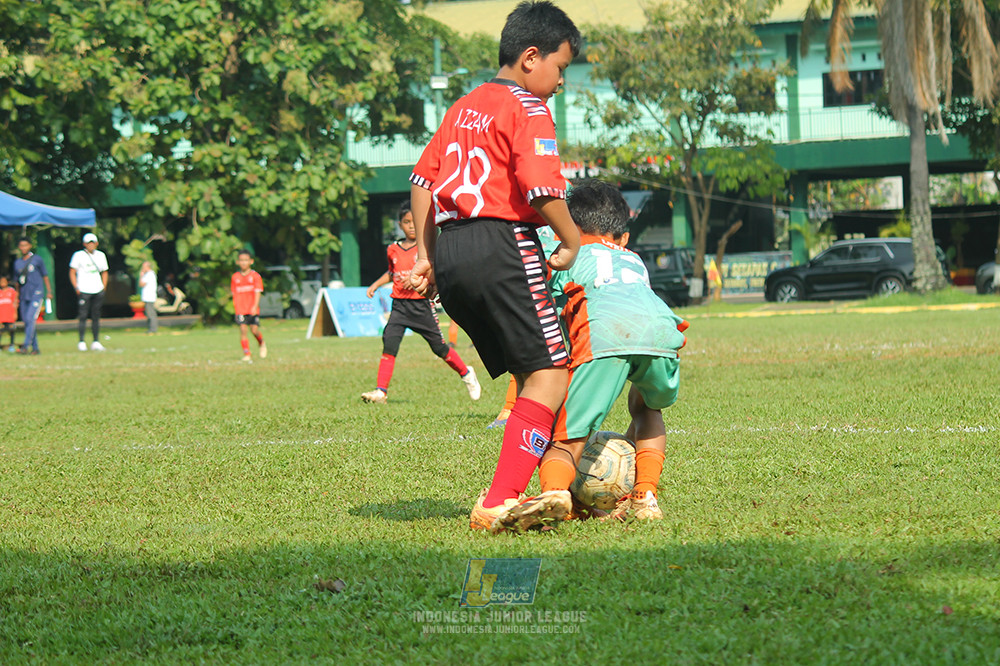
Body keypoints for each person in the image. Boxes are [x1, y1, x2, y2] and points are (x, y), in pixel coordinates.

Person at [408, 1, 582, 531]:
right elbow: (540, 185)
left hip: (454, 249)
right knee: (552, 373)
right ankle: (500, 497)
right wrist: (571, 238)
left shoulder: (463, 105)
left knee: (533, 372)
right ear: (532, 58)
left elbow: (421, 181)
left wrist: (425, 255)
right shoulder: (529, 108)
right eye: (560, 68)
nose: (558, 83)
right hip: (503, 242)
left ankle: (528, 485)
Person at [493, 180, 689, 532]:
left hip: (605, 333)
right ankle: (645, 496)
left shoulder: (564, 251)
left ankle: (555, 495)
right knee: (646, 408)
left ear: (569, 225)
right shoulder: (633, 257)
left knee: (567, 438)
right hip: (664, 331)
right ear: (622, 235)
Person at [361, 201, 481, 404]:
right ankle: (381, 391)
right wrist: (376, 284)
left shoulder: (426, 250)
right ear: (400, 225)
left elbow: (434, 270)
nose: (411, 226)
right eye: (406, 222)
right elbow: (392, 273)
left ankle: (466, 372)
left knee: (439, 347)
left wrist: (418, 279)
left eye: (414, 222)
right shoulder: (392, 249)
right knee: (389, 341)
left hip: (420, 305)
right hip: (399, 305)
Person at [69, 232, 109, 351]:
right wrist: (76, 287)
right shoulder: (78, 255)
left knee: (96, 315)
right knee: (83, 315)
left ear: (96, 243)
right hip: (84, 289)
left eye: (92, 242)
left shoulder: (101, 255)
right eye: (88, 243)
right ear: (84, 244)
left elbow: (105, 271)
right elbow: (72, 272)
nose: (90, 245)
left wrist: (103, 287)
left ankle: (96, 341)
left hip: (97, 289)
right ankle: (81, 341)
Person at [12, 237, 52, 355]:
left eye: (25, 245)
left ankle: (25, 346)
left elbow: (45, 276)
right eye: (21, 245)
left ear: (30, 246)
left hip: (37, 293)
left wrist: (49, 291)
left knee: (30, 319)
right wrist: (16, 298)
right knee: (27, 321)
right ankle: (35, 348)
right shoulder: (17, 263)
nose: (23, 248)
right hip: (24, 295)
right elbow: (17, 283)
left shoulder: (37, 259)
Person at [231, 250, 267, 362]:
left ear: (251, 261)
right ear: (237, 262)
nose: (243, 263)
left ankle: (261, 343)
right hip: (240, 309)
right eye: (241, 260)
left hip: (252, 308)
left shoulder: (255, 276)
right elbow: (234, 293)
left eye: (246, 260)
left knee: (254, 330)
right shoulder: (235, 277)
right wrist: (236, 307)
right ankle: (247, 353)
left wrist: (255, 307)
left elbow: (257, 292)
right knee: (242, 330)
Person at [139, 261, 158, 334]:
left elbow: (141, 284)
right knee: (149, 313)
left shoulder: (149, 274)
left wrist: (141, 275)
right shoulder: (148, 274)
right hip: (148, 297)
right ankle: (151, 328)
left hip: (149, 297)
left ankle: (153, 329)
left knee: (151, 314)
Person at [0, 275, 18, 351]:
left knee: (11, 330)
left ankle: (12, 345)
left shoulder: (11, 291)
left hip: (9, 315)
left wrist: (15, 313)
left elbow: (15, 302)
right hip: (1, 315)